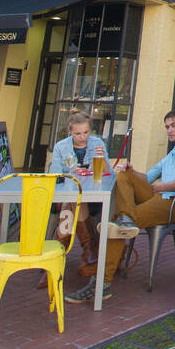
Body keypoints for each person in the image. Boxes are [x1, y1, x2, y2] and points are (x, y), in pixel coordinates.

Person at [65, 109, 175, 304]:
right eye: (167, 126)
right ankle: (126, 219)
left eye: (173, 125)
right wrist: (133, 171)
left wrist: (162, 186)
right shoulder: (173, 153)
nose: (169, 130)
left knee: (117, 226)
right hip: (160, 196)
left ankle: (101, 284)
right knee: (125, 175)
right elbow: (148, 178)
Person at [47, 110, 110, 285]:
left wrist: (103, 159)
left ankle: (55, 257)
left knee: (75, 203)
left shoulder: (97, 143)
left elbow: (108, 174)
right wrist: (70, 172)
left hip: (91, 199)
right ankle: (88, 249)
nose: (82, 137)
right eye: (77, 133)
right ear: (70, 132)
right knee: (74, 202)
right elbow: (55, 176)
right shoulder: (61, 147)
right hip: (65, 197)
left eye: (85, 132)